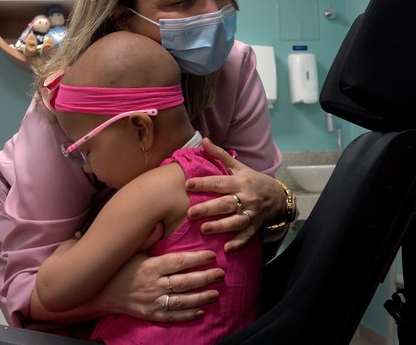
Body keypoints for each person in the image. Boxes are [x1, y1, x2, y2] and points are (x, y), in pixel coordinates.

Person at [0, 0, 295, 334]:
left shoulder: (234, 69)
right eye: (182, 1)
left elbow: (255, 219)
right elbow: (33, 286)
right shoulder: (68, 103)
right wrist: (114, 291)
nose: (214, 13)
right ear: (121, 16)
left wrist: (278, 202)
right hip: (45, 257)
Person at [37, 31, 263, 343]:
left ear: (141, 129)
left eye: (86, 151)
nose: (87, 168)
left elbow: (51, 291)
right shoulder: (226, 172)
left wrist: (68, 249)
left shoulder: (152, 190)